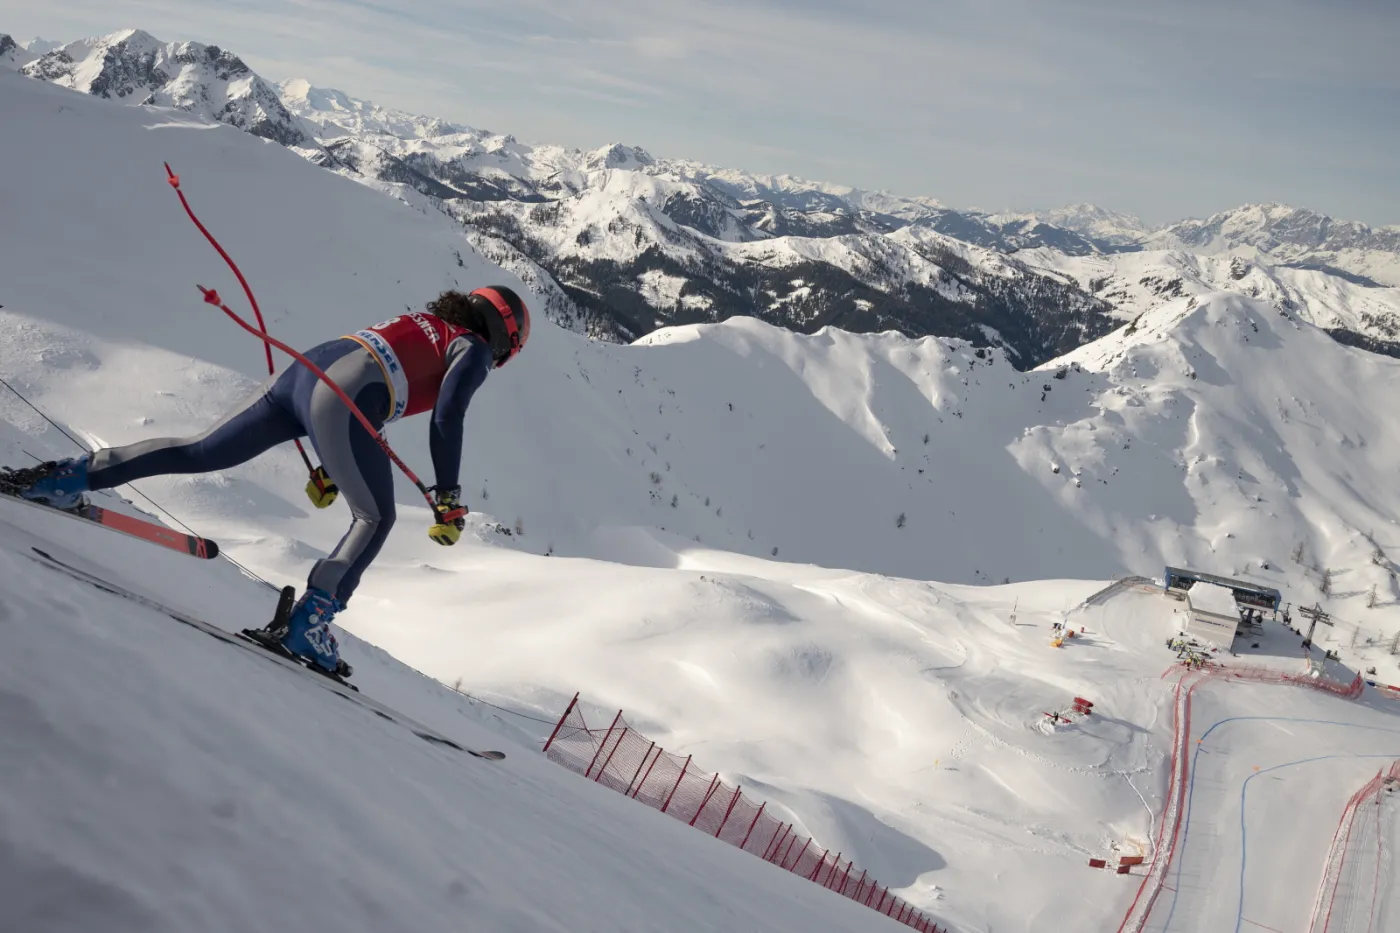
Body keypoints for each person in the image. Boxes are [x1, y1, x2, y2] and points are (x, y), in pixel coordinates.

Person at [12, 286, 530, 676]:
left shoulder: (425, 322)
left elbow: (371, 378)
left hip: (305, 373)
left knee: (200, 450)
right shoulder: (472, 348)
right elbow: (448, 417)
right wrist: (449, 497)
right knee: (375, 517)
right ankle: (310, 625)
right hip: (344, 399)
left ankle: (64, 478)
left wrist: (331, 460)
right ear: (502, 333)